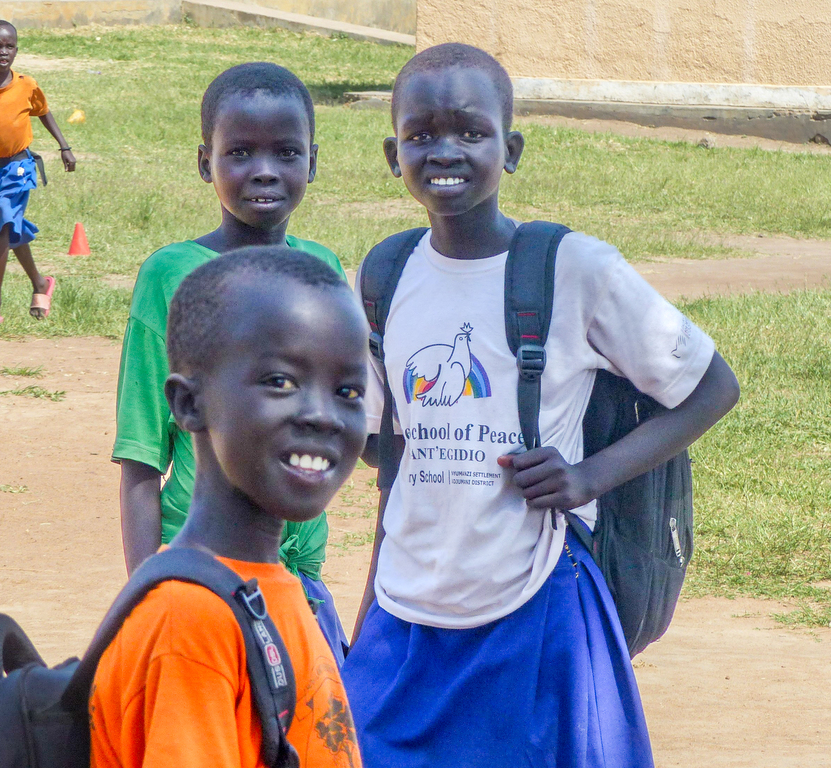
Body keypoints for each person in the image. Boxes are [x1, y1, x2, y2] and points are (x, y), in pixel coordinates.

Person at [341, 43, 741, 767]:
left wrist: (589, 477)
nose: (444, 150)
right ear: (391, 152)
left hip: (534, 602)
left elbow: (713, 387)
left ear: (511, 148)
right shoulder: (384, 273)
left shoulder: (571, 268)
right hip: (406, 609)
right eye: (421, 134)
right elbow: (386, 446)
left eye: (471, 131)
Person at [90, 247, 366, 768]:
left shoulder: (273, 589)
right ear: (190, 404)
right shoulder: (192, 621)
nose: (322, 415)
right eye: (280, 381)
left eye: (347, 390)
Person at [113, 62, 351, 662]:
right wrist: (147, 593)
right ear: (205, 163)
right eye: (240, 152)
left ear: (313, 163)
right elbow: (142, 458)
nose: (264, 170)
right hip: (201, 573)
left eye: (286, 152)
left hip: (300, 580)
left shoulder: (323, 270)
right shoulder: (169, 276)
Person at [0, 19, 76, 326]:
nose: (4, 52)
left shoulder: (26, 84)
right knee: (11, 227)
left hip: (19, 167)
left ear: (16, 49)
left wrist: (64, 147)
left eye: (9, 46)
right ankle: (40, 284)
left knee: (2, 224)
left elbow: (44, 113)